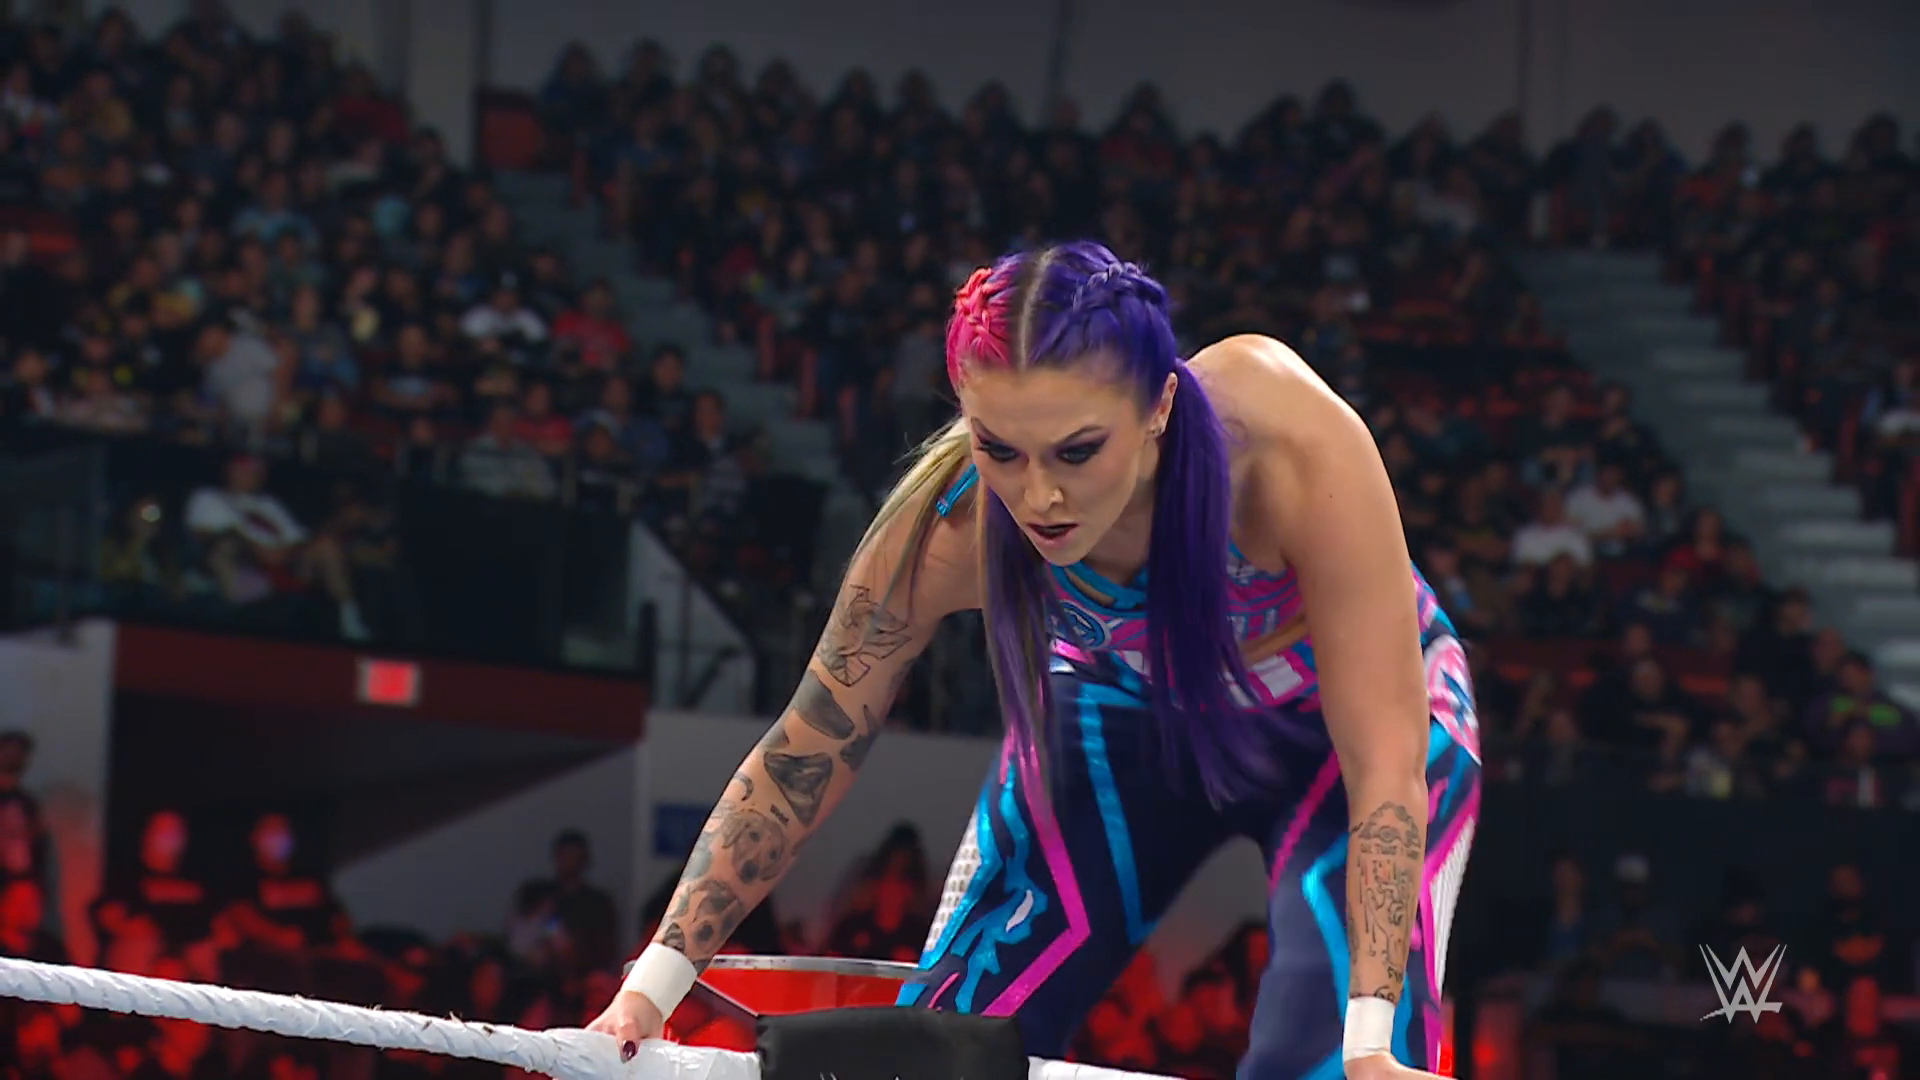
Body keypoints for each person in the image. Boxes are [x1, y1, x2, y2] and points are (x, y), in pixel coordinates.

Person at [590, 241, 1481, 1079]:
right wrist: (648, 991)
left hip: (1343, 734)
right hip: (1117, 708)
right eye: (999, 450)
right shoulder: (949, 529)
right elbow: (804, 752)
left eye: (1078, 451)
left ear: (1160, 407)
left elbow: (1385, 758)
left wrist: (1371, 1038)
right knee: (955, 1043)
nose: (1039, 496)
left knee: (1339, 1057)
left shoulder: (1287, 447)